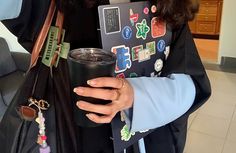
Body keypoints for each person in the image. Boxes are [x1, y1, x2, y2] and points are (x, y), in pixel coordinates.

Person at [0, 0, 211, 153]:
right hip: (71, 135)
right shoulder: (54, 6)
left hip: (151, 139)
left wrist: (134, 95)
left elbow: (190, 83)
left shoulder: (169, 6)